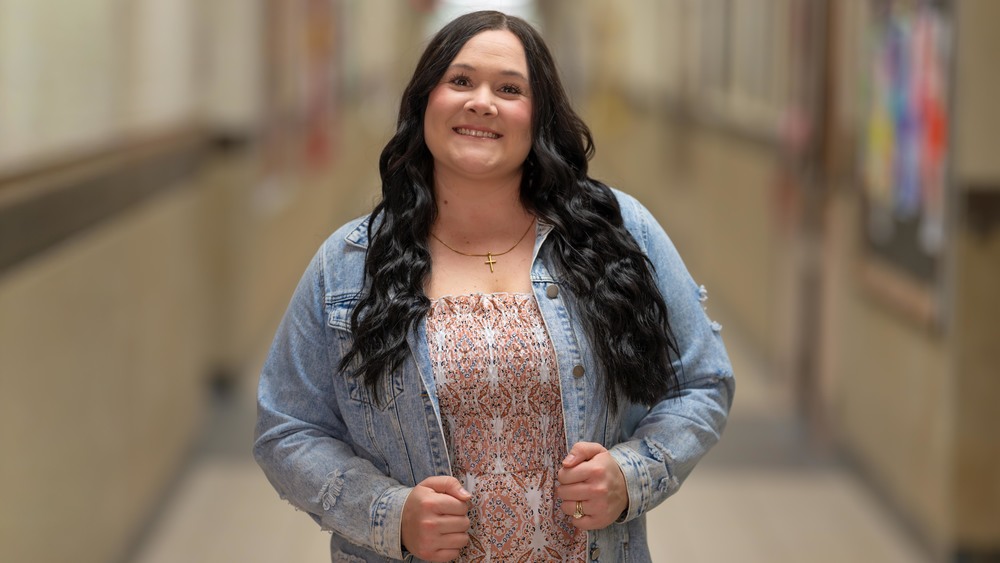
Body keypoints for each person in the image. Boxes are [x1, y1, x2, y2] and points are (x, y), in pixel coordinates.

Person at [254, 10, 734, 562]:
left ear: (539, 116)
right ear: (424, 102)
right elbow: (287, 428)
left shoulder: (617, 233)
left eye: (509, 89)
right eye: (460, 81)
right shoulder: (349, 264)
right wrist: (389, 513)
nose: (482, 102)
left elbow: (702, 380)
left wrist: (631, 475)